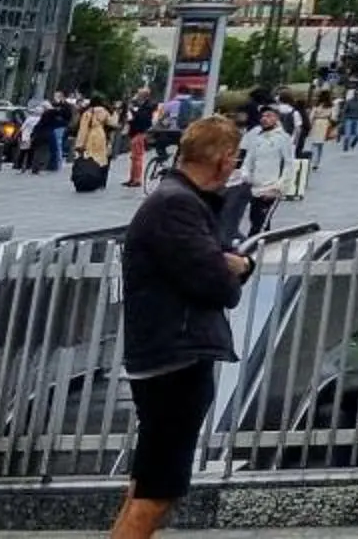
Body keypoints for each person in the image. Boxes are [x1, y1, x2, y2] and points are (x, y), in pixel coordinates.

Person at [110, 116, 254, 539]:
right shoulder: (177, 204)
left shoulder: (177, 200)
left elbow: (210, 263)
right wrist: (238, 267)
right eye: (235, 157)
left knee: (149, 483)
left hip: (168, 355)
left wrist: (227, 263)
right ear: (224, 160)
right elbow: (216, 283)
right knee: (159, 489)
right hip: (174, 358)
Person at [236, 104, 297, 234]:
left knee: (261, 224)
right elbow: (249, 159)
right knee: (254, 218)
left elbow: (289, 164)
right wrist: (245, 175)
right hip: (255, 186)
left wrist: (279, 186)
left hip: (272, 187)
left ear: (276, 118)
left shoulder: (283, 138)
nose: (264, 118)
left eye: (269, 116)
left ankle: (254, 248)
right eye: (263, 116)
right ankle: (260, 247)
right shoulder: (257, 136)